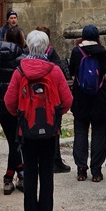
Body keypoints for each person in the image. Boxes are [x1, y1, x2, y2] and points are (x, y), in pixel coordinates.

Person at [4, 30, 73, 211]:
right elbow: (67, 100)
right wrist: (54, 115)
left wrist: (22, 116)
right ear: (46, 47)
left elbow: (9, 102)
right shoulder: (55, 71)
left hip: (27, 131)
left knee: (30, 174)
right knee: (47, 175)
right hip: (50, 132)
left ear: (28, 46)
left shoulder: (20, 72)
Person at [0, 25, 26, 194]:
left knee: (13, 141)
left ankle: (18, 174)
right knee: (15, 142)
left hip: (0, 105)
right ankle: (11, 177)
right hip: (17, 105)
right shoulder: (23, 59)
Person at [69, 24, 106, 181]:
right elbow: (104, 69)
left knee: (80, 132)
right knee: (99, 133)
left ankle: (81, 169)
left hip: (81, 97)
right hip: (99, 96)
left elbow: (72, 71)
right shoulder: (102, 52)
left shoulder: (76, 52)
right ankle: (96, 170)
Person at [36, 25, 72, 172]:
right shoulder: (52, 54)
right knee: (54, 130)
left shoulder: (28, 59)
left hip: (35, 101)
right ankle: (55, 161)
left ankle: (39, 161)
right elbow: (60, 75)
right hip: (51, 99)